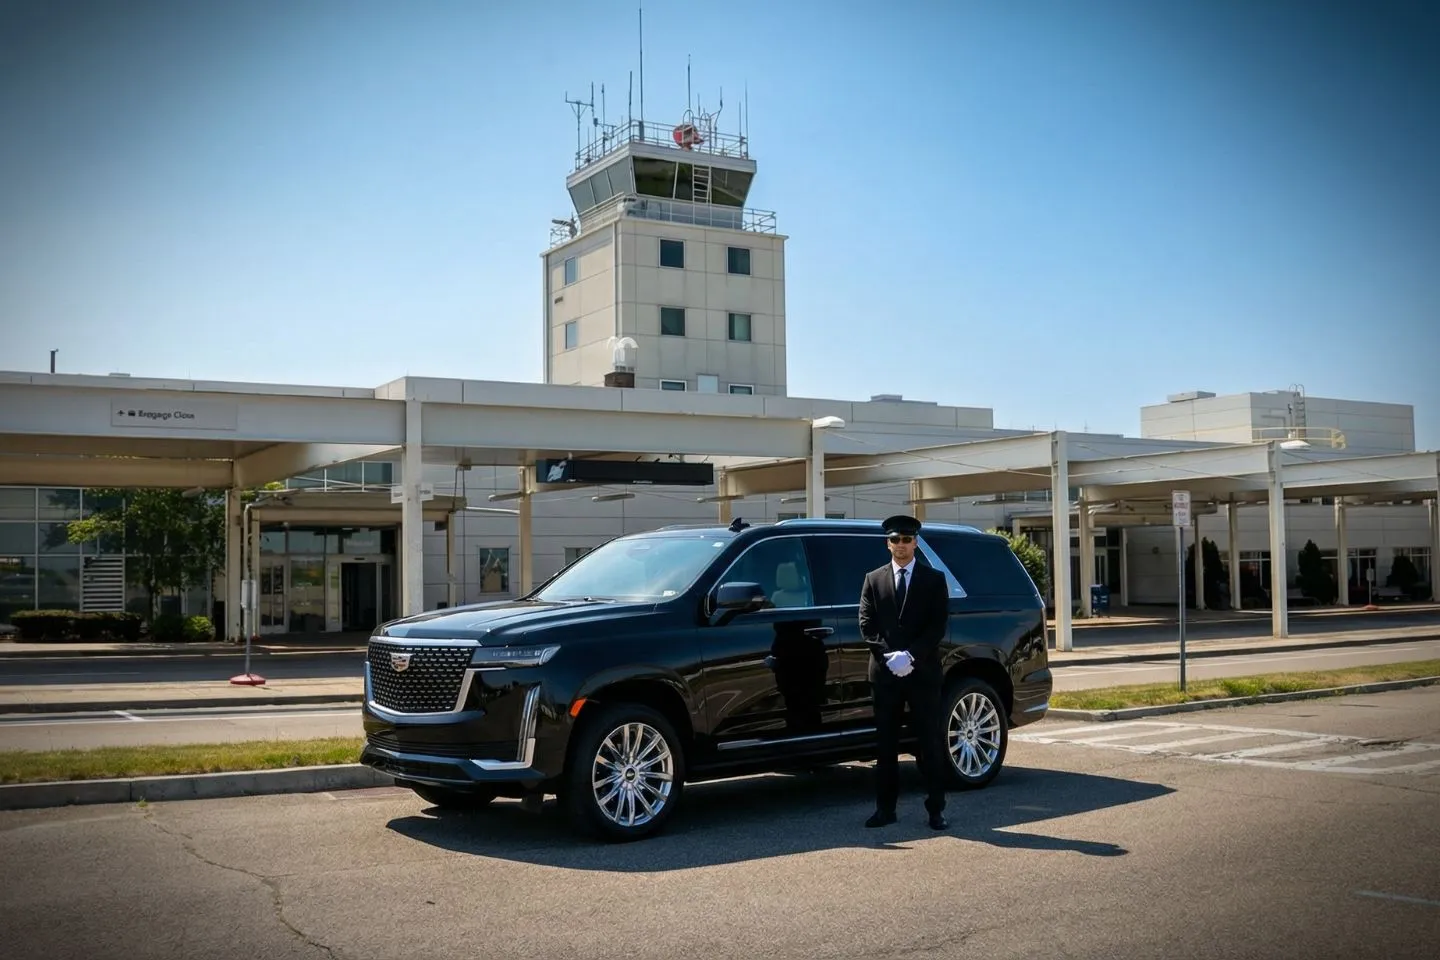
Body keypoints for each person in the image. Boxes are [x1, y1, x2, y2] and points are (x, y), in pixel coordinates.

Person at [858, 514, 950, 829]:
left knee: (930, 744)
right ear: (888, 543)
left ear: (915, 543)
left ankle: (936, 810)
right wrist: (889, 657)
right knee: (885, 747)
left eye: (907, 540)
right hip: (885, 676)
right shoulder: (873, 579)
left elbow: (937, 626)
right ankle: (885, 810)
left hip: (922, 673)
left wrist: (910, 656)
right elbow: (867, 625)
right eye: (895, 540)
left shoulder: (934, 579)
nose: (901, 546)